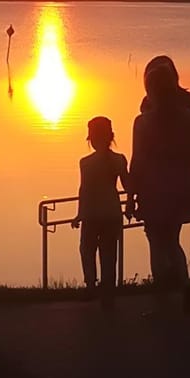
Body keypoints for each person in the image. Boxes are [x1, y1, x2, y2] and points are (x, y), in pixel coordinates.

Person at [129, 63, 190, 314]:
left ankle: (161, 298)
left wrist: (131, 196)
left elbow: (137, 160)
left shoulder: (142, 122)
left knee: (155, 241)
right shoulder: (186, 117)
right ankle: (185, 287)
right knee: (172, 241)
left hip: (153, 188)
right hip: (180, 185)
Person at [71, 117, 130, 309]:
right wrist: (131, 204)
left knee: (87, 249)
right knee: (109, 253)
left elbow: (84, 189)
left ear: (91, 139)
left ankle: (91, 285)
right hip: (112, 211)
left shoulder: (85, 163)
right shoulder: (119, 159)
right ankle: (108, 291)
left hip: (92, 213)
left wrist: (80, 214)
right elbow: (128, 185)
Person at [139, 54, 190, 217]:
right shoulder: (147, 104)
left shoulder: (189, 103)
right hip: (162, 182)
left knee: (161, 237)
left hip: (168, 184)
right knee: (164, 237)